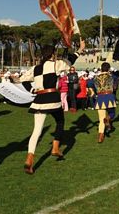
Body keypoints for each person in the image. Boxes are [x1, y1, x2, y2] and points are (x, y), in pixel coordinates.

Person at [20, 40, 85, 174]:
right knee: (60, 121)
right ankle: (55, 147)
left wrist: (32, 91)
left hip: (39, 100)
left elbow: (23, 80)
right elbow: (69, 61)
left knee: (36, 131)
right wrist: (81, 49)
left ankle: (29, 157)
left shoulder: (36, 68)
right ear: (53, 54)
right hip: (53, 99)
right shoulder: (55, 64)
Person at [93, 60, 119, 143]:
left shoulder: (95, 78)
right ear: (108, 69)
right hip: (109, 96)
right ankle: (108, 119)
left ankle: (100, 136)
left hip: (100, 98)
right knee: (112, 113)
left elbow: (90, 85)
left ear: (101, 69)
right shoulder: (112, 75)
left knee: (101, 119)